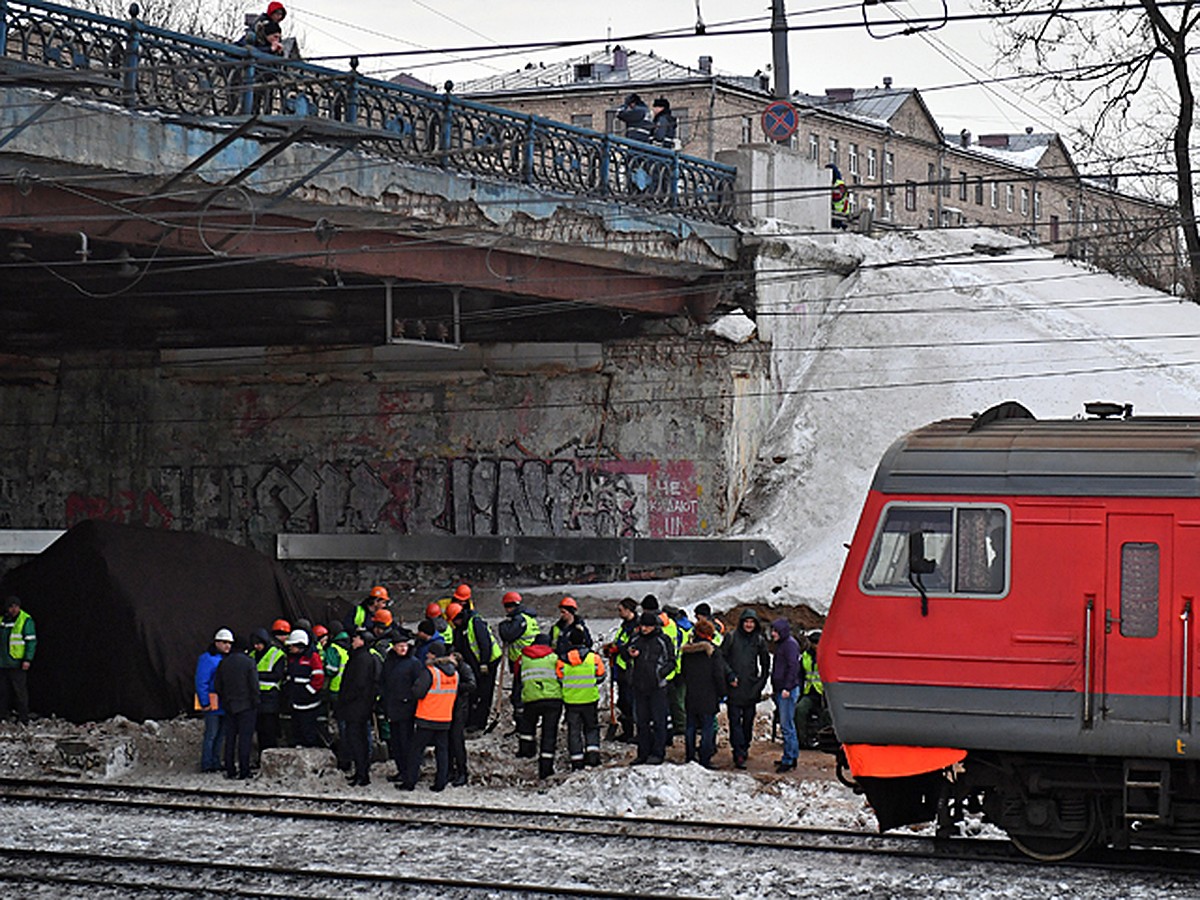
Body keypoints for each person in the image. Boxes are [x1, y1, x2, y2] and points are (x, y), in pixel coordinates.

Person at [403, 640, 459, 791]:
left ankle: (410, 782)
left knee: (416, 750)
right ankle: (440, 783)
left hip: (427, 718)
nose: (427, 655)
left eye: (429, 653)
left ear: (433, 655)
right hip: (445, 718)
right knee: (442, 751)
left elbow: (418, 692)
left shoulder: (431, 672)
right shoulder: (454, 673)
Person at [722, 609, 771, 769]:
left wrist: (760, 682)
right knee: (734, 720)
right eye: (746, 622)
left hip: (751, 687)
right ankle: (738, 751)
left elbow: (765, 663)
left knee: (748, 721)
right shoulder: (731, 637)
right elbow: (721, 659)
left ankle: (745, 746)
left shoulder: (759, 640)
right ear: (742, 622)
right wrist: (729, 675)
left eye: (752, 622)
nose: (749, 625)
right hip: (734, 686)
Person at [680, 620, 730, 769]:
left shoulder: (687, 651)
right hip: (709, 694)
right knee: (708, 727)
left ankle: (689, 756)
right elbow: (718, 674)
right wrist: (723, 692)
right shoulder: (713, 651)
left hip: (691, 694)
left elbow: (683, 673)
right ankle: (705, 758)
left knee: (690, 727)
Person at [556, 626, 606, 770]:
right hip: (590, 699)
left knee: (574, 731)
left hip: (571, 702)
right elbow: (601, 676)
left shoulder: (562, 660)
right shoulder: (593, 658)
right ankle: (593, 756)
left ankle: (576, 760)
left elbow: (559, 679)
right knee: (591, 728)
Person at [628, 611, 674, 765]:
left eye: (647, 626)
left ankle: (658, 753)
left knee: (659, 721)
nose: (644, 629)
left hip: (657, 687)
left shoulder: (663, 640)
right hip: (639, 685)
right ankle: (643, 753)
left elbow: (671, 661)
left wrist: (660, 674)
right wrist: (630, 653)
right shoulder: (636, 639)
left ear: (654, 626)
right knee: (642, 722)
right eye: (642, 625)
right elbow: (626, 651)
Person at [338, 628, 382, 786]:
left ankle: (362, 774)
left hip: (356, 707)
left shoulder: (361, 659)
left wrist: (346, 699)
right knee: (359, 740)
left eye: (356, 638)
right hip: (359, 707)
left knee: (357, 740)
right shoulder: (363, 657)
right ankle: (360, 772)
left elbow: (358, 684)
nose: (353, 640)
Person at [212, 634, 259, 780]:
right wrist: (256, 702)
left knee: (230, 738)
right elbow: (254, 685)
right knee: (245, 739)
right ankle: (244, 770)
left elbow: (217, 686)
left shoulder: (224, 663)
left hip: (229, 705)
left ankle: (230, 769)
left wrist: (226, 700)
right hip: (247, 706)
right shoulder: (249, 662)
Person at [515, 633, 562, 779]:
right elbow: (562, 677)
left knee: (528, 728)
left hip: (531, 699)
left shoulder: (523, 658)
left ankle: (527, 751)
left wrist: (517, 701)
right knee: (549, 734)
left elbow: (517, 677)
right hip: (552, 700)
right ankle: (546, 768)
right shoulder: (555, 658)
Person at [451, 601, 502, 732]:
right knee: (474, 692)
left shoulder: (475, 623)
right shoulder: (460, 629)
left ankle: (480, 722)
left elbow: (485, 644)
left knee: (484, 693)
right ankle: (472, 720)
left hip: (489, 662)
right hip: (475, 663)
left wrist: (484, 663)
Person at [382, 628, 422, 785]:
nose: (403, 648)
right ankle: (402, 771)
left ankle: (409, 773)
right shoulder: (389, 662)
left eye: (405, 645)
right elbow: (384, 683)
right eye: (400, 646)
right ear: (393, 647)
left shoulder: (413, 663)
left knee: (406, 744)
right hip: (393, 709)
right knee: (396, 744)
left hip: (406, 710)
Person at [498, 591, 539, 725]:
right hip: (529, 660)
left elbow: (508, 635)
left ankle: (523, 722)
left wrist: (503, 626)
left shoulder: (520, 620)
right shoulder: (528, 618)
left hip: (523, 661)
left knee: (519, 695)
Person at [195, 628, 232, 773]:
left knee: (220, 734)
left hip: (223, 702)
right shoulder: (207, 659)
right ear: (216, 642)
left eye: (229, 643)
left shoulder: (225, 659)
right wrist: (205, 702)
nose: (227, 646)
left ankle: (215, 761)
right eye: (224, 642)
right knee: (211, 734)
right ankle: (207, 763)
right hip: (212, 701)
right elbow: (201, 681)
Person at [282, 629, 325, 748]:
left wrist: (307, 692)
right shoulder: (292, 658)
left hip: (308, 702)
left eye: (292, 646)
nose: (290, 648)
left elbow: (318, 678)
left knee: (308, 728)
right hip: (295, 700)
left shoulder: (312, 657)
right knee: (296, 727)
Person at [605, 597, 639, 743]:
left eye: (620, 610)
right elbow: (620, 642)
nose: (619, 613)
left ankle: (634, 732)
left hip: (630, 669)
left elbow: (632, 646)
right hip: (620, 668)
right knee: (623, 702)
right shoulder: (624, 626)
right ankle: (627, 731)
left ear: (628, 610)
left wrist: (618, 649)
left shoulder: (636, 627)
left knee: (630, 701)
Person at [770, 618, 802, 773]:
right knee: (787, 724)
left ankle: (789, 759)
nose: (772, 634)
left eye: (775, 631)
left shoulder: (789, 645)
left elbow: (792, 667)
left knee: (786, 725)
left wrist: (787, 687)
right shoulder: (783, 644)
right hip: (781, 689)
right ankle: (791, 755)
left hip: (786, 690)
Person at [0, 595, 36, 724]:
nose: (13, 609)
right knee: (3, 691)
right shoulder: (3, 620)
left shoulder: (25, 620)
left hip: (17, 662)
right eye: (11, 607)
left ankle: (23, 717)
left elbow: (31, 642)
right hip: (3, 662)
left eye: (15, 606)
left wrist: (27, 659)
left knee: (19, 691)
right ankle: (3, 716)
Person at [251, 627, 286, 752]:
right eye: (255, 644)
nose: (257, 647)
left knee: (269, 730)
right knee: (260, 730)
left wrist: (257, 674)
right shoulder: (252, 655)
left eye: (259, 644)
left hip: (271, 696)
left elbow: (278, 675)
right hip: (257, 697)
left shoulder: (276, 654)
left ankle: (270, 755)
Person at [447, 649, 477, 786]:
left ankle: (461, 772)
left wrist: (454, 686)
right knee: (448, 741)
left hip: (459, 709)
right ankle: (451, 771)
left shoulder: (464, 669)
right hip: (449, 708)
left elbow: (471, 685)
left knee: (457, 741)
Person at [794, 631, 825, 750]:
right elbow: (800, 676)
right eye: (814, 643)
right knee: (800, 710)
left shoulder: (827, 656)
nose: (816, 646)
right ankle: (803, 740)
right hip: (809, 693)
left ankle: (821, 741)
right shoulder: (805, 657)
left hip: (824, 695)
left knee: (826, 716)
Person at [828, 163, 850, 228]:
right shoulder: (838, 184)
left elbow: (836, 198)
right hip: (837, 213)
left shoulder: (839, 185)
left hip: (839, 213)